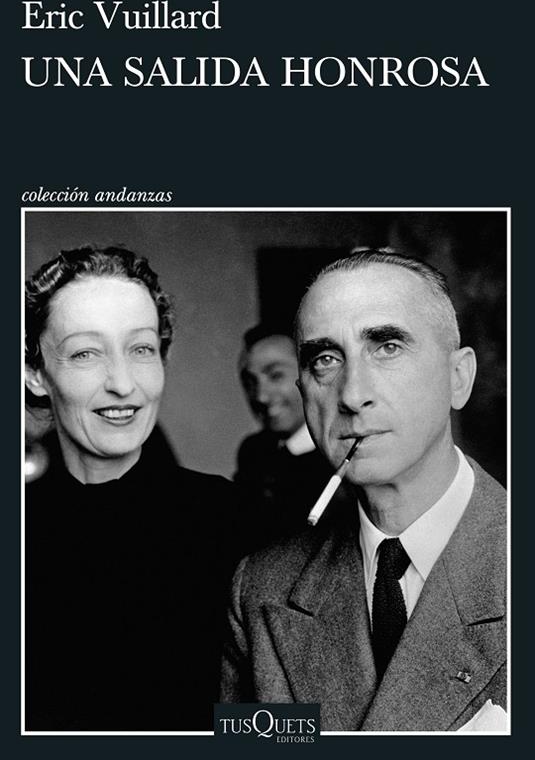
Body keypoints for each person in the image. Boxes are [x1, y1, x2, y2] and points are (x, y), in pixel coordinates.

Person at [221, 249, 507, 732]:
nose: (352, 395)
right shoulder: (261, 591)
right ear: (305, 393)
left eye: (387, 347)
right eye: (325, 359)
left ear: (458, 378)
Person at [25, 245, 241, 731]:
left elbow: (289, 727)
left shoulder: (231, 522)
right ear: (35, 373)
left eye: (141, 349)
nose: (123, 384)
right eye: (85, 353)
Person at [235, 324, 337, 551]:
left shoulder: (339, 454)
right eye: (250, 382)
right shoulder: (253, 452)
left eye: (275, 376)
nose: (261, 396)